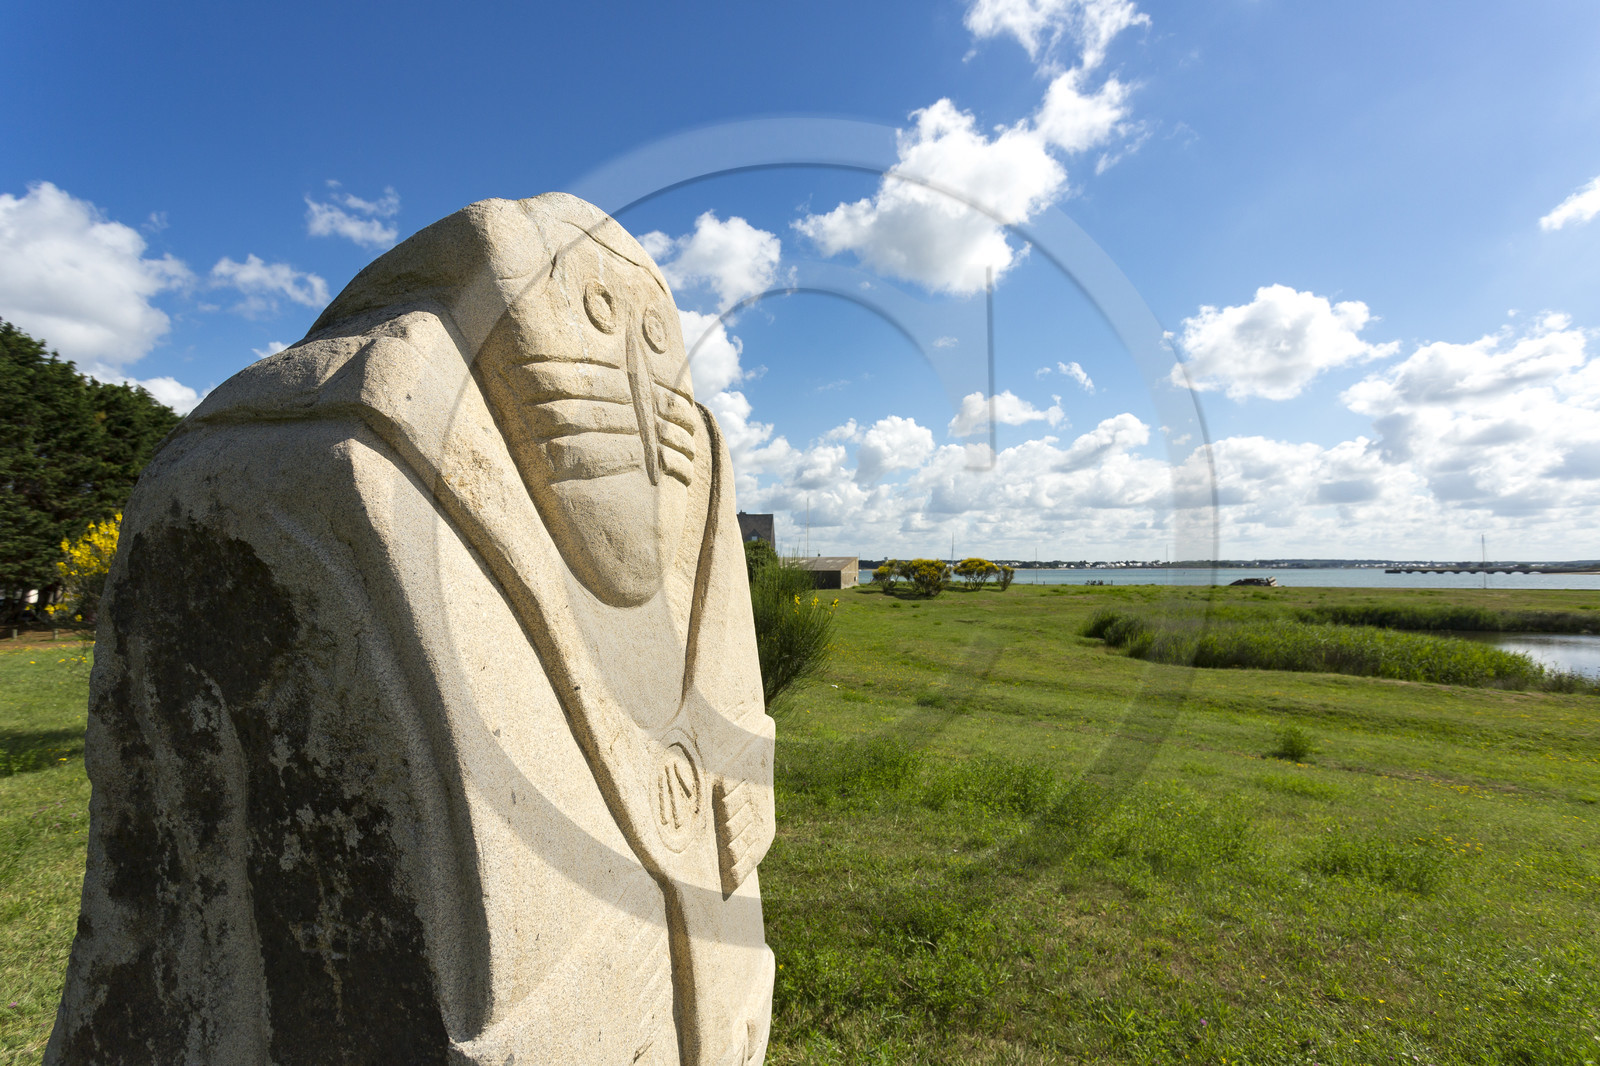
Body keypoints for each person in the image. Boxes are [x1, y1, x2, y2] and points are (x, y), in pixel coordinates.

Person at [48, 195, 776, 1066]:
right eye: (592, 311)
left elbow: (730, 731)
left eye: (656, 339)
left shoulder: (700, 481)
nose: (635, 381)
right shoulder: (313, 454)